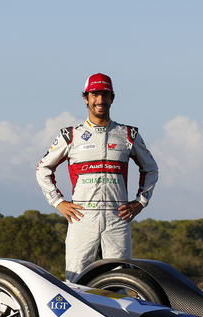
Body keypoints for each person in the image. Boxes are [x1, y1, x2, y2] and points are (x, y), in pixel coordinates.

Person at [36, 73, 158, 283]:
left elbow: (151, 169)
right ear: (86, 98)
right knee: (75, 282)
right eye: (95, 95)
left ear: (112, 98)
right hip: (81, 217)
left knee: (120, 282)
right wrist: (58, 202)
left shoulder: (128, 134)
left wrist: (141, 202)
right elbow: (42, 169)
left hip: (117, 217)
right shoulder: (70, 135)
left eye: (104, 95)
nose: (100, 100)